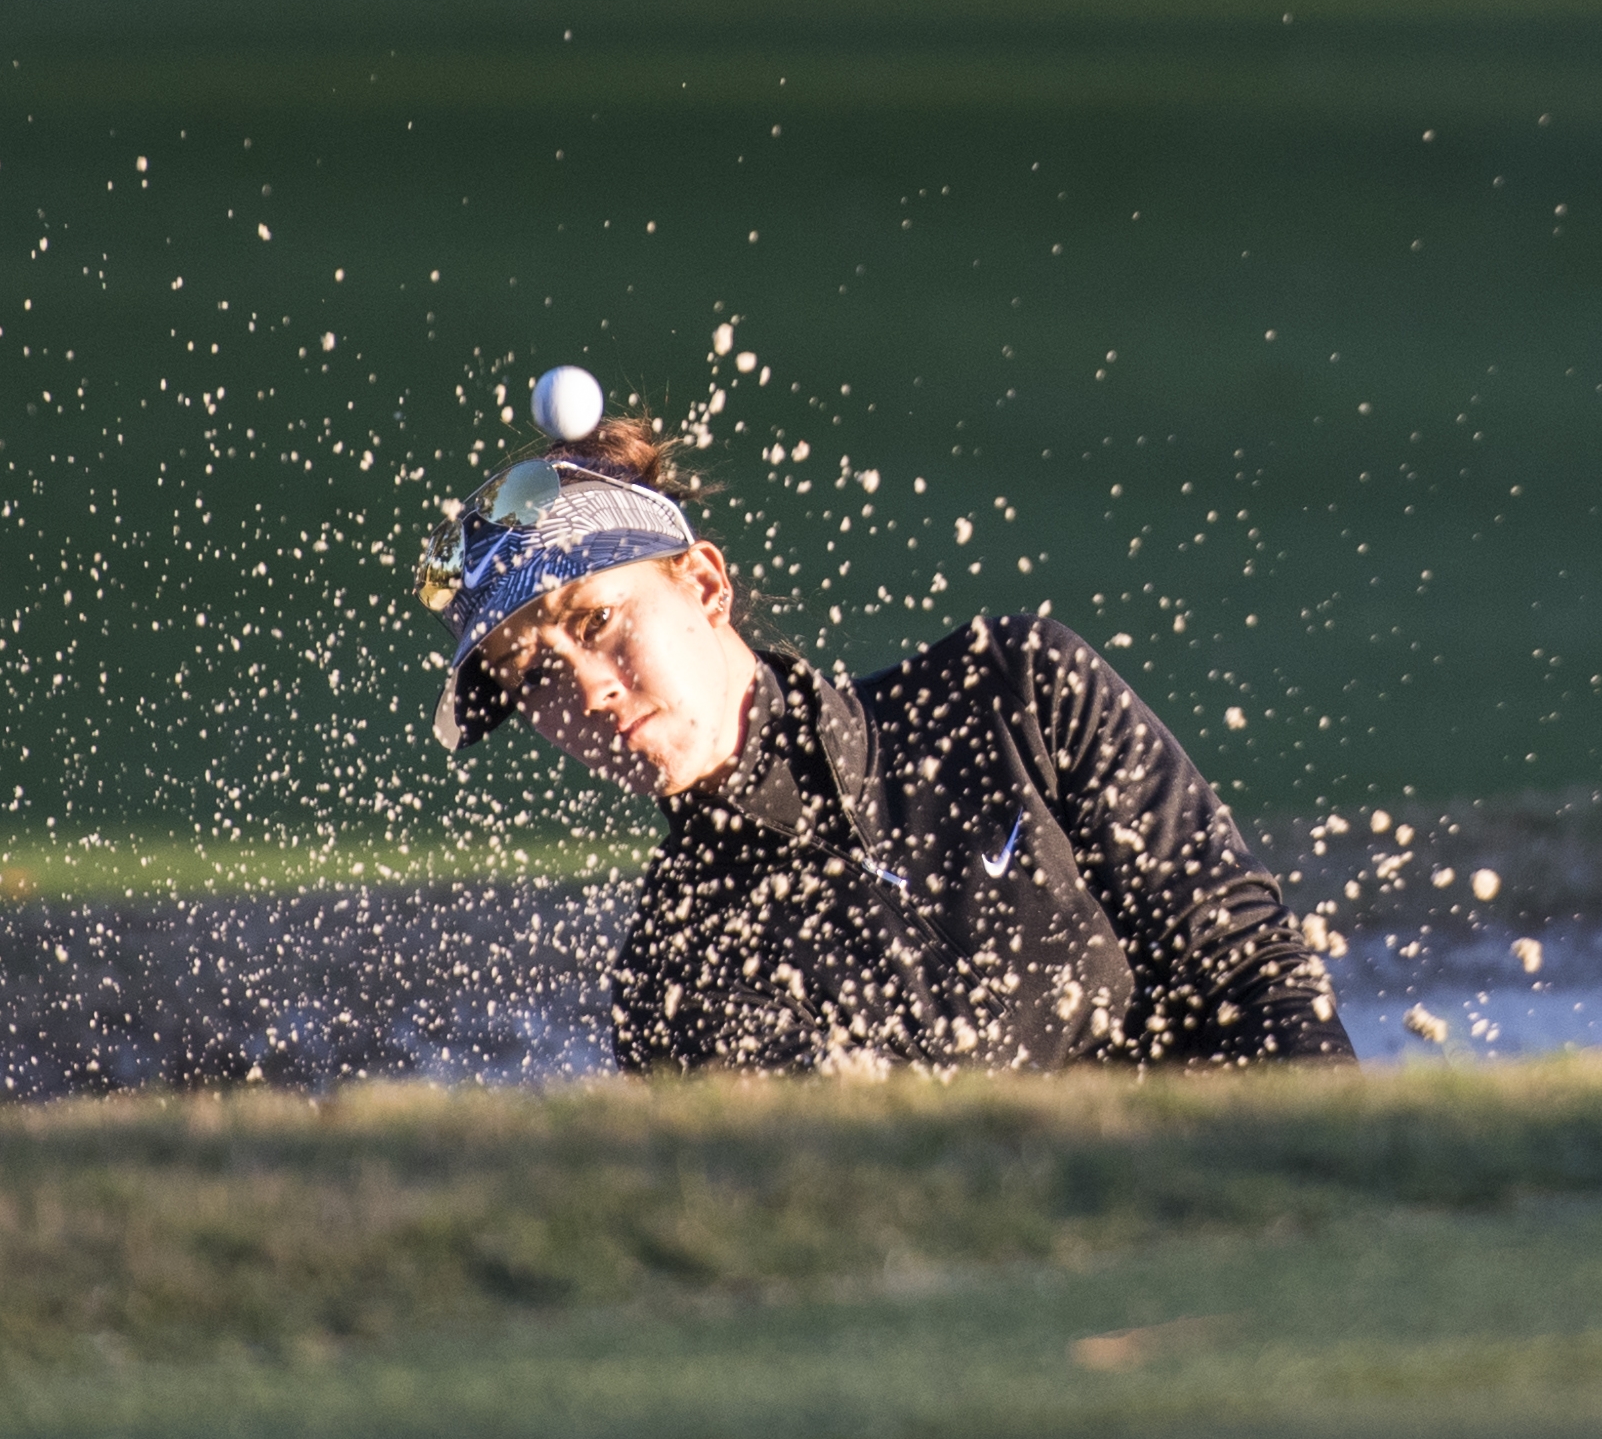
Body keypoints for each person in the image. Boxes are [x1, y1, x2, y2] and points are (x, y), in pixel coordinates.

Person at [416, 399, 1354, 1076]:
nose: (582, 687)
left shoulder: (1014, 690)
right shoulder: (678, 972)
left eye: (594, 623)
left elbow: (1251, 978)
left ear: (704, 585)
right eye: (530, 677)